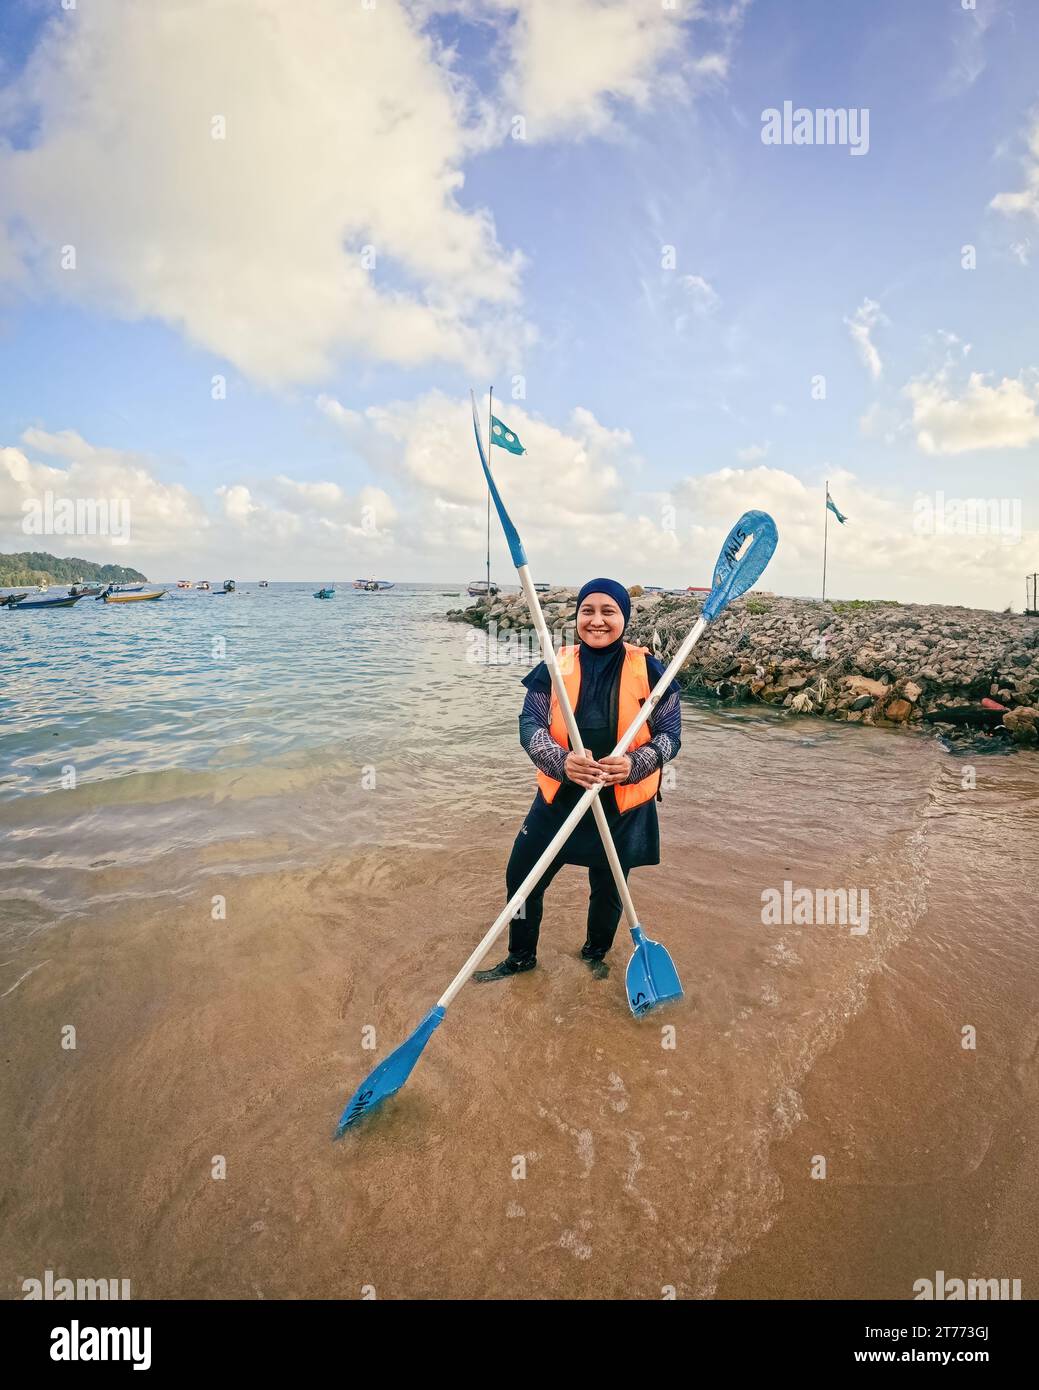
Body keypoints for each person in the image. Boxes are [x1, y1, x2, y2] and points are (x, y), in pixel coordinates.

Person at [474, 578, 682, 983]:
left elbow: (671, 736)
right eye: (588, 611)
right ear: (576, 617)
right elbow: (529, 726)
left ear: (625, 617)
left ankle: (594, 956)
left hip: (621, 805)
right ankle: (520, 959)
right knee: (522, 878)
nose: (597, 620)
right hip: (560, 800)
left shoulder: (651, 670)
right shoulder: (555, 665)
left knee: (608, 889)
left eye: (609, 612)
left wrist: (636, 763)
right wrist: (561, 761)